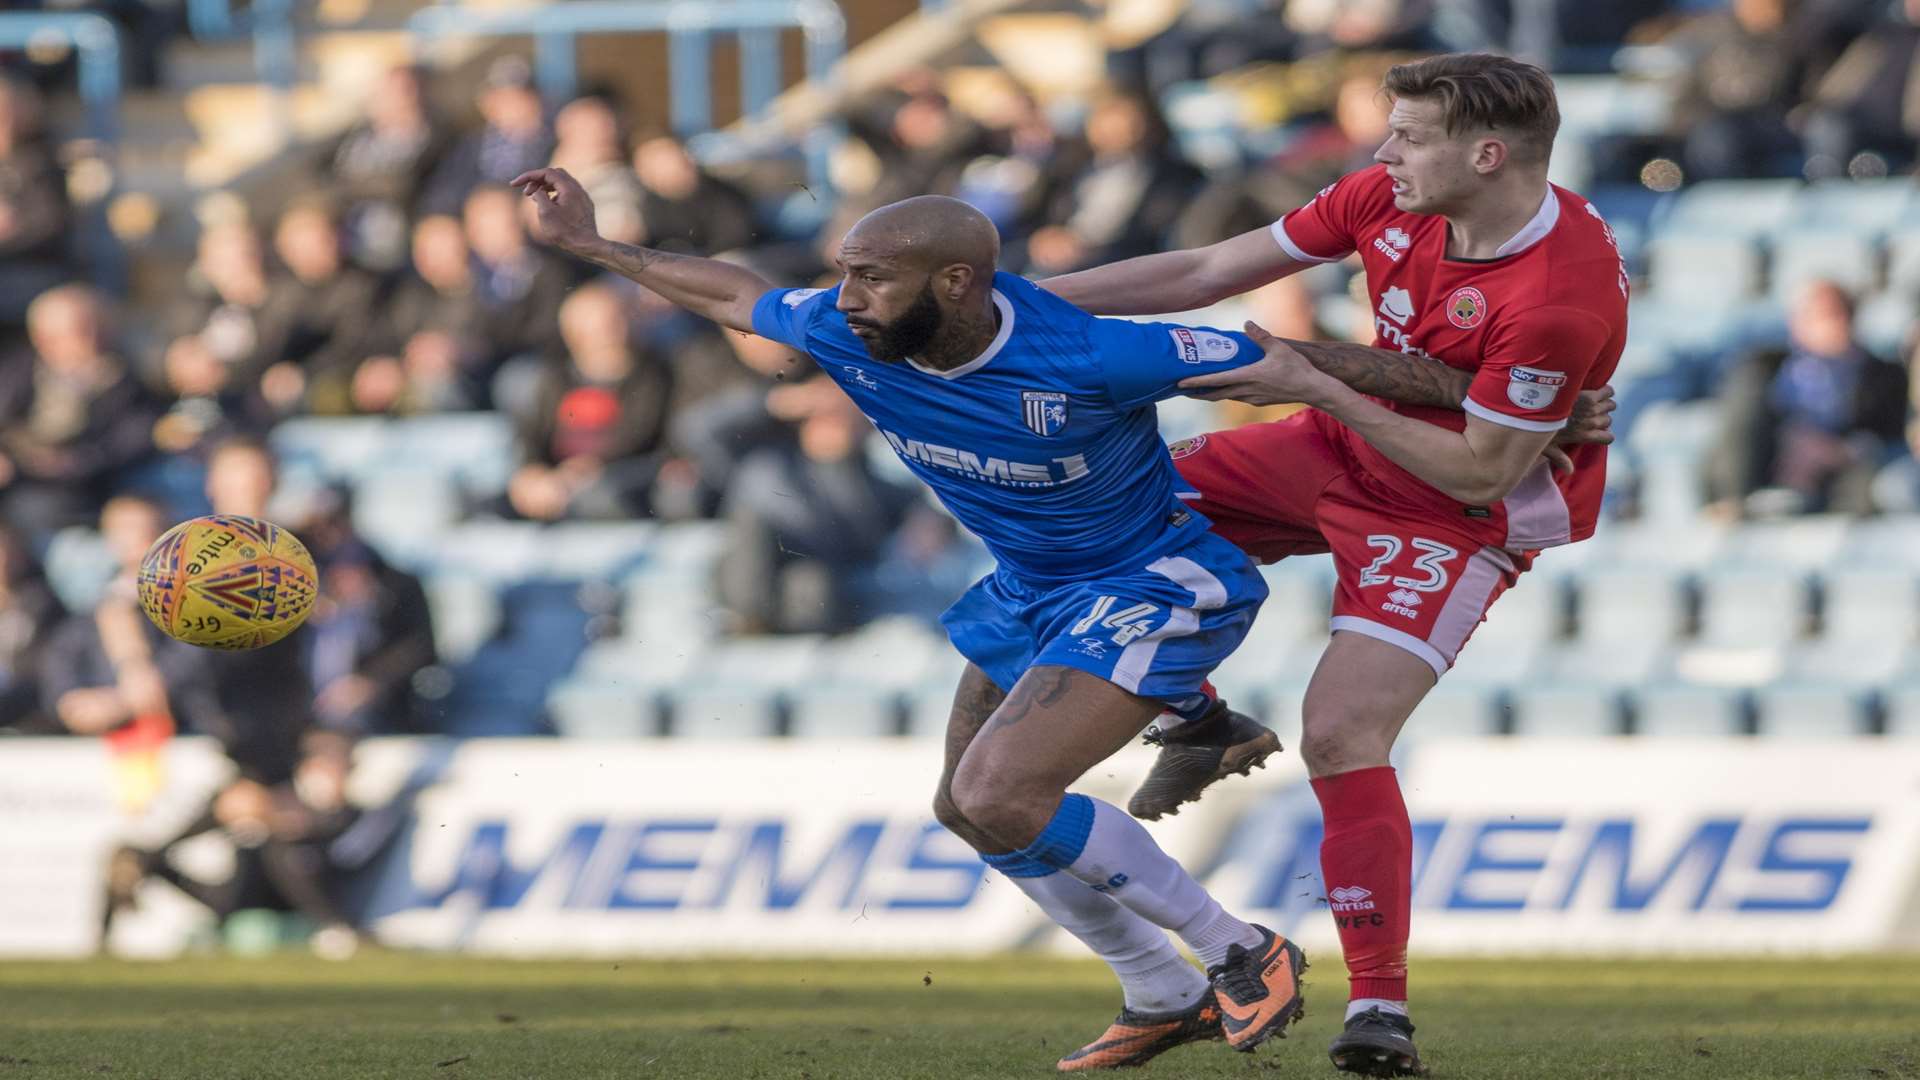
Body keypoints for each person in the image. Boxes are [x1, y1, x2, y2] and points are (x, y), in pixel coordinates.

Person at [513, 163, 1565, 1070]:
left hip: (1159, 581)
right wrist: (592, 242)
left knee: (1003, 788)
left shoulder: (1091, 356)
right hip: (1034, 587)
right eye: (844, 273)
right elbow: (736, 294)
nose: (846, 297)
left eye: (871, 276)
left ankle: (1241, 948)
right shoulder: (848, 330)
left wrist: (1487, 402)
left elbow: (1287, 364)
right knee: (965, 809)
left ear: (958, 283)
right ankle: (1159, 988)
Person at [1043, 53, 1625, 1076]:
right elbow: (1203, 272)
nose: (1380, 152)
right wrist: (1015, 313)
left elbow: (1483, 460)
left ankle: (1380, 1014)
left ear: (1485, 155)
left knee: (1343, 731)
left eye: (1407, 136)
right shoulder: (1388, 198)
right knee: (1105, 509)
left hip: (1460, 509)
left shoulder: (1559, 294)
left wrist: (1312, 383)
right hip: (1344, 446)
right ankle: (1203, 718)